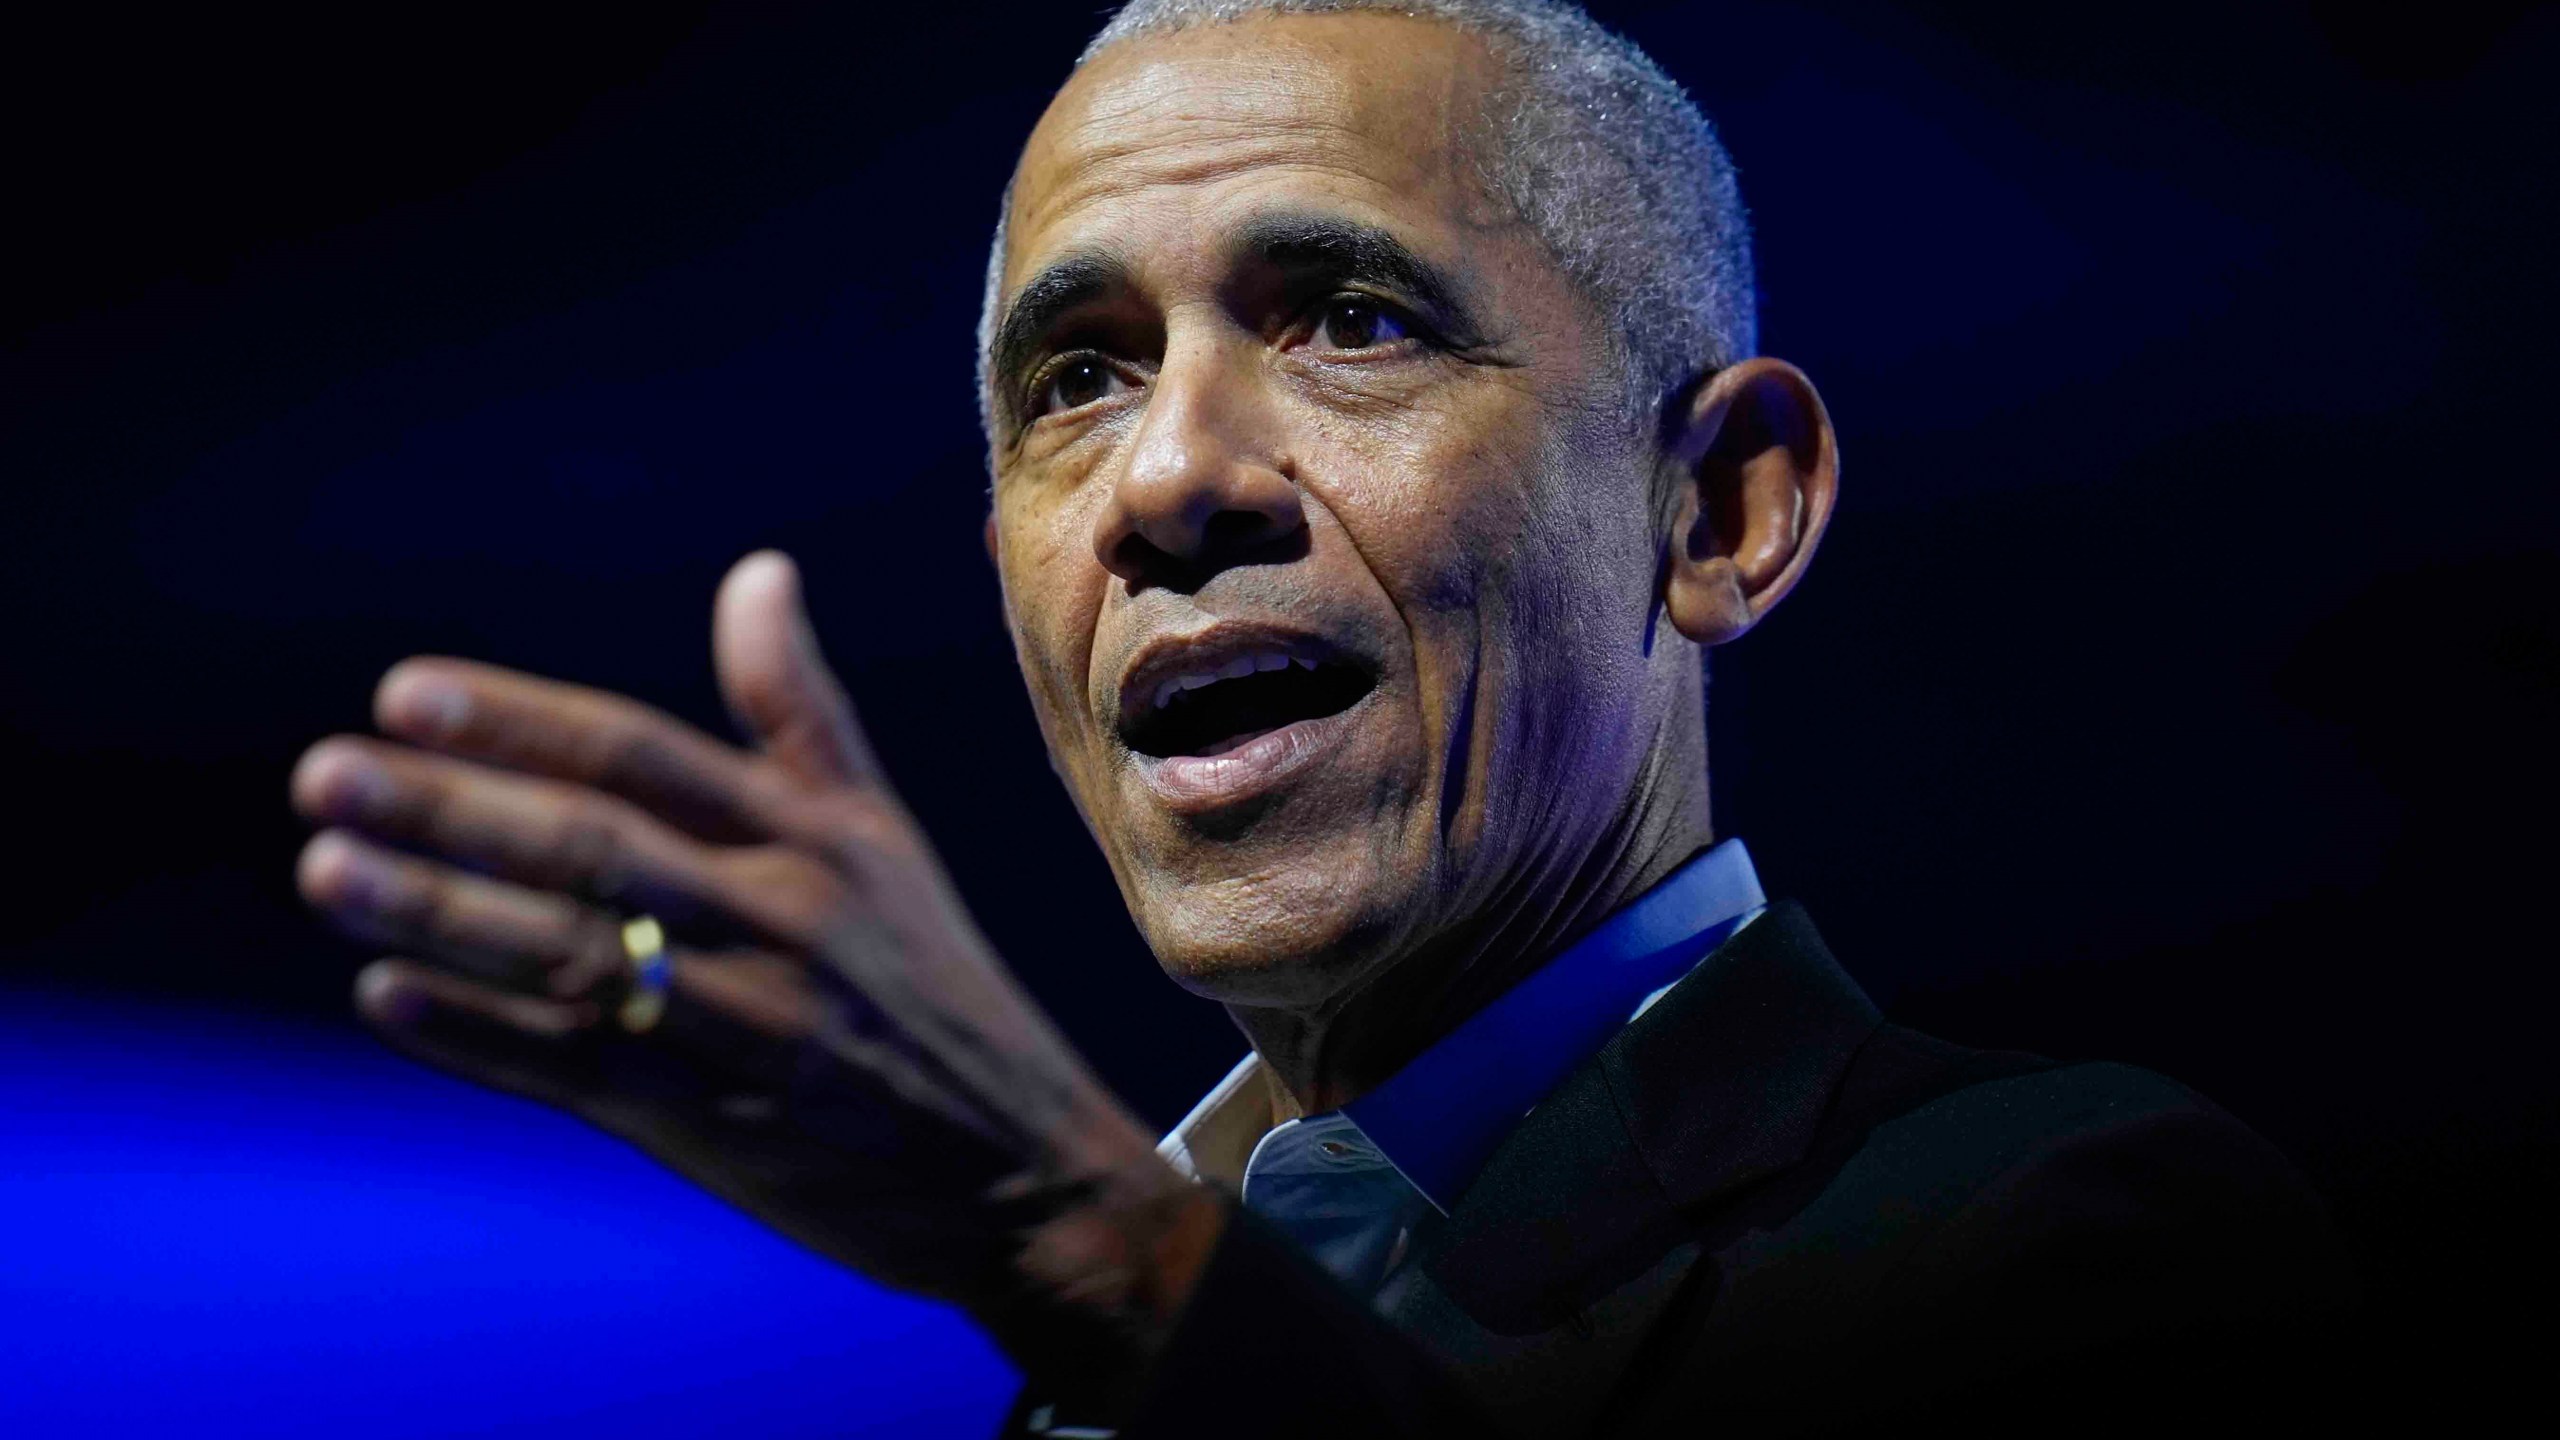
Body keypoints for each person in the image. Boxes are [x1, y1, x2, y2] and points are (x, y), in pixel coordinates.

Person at [289, 1, 2348, 1433]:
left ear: (1717, 509)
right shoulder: (1097, 1352)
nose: (1167, 477)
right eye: (1073, 376)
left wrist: (1088, 1244)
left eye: (1352, 322)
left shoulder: (2069, 1236)